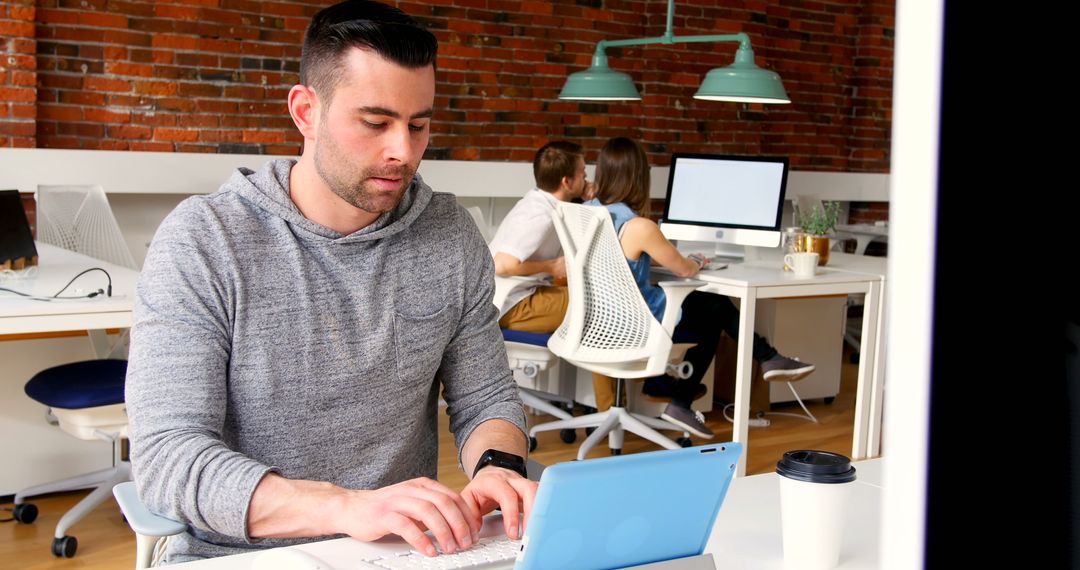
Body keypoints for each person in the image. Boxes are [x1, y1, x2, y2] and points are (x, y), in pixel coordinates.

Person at [124, 1, 535, 563]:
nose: (403, 150)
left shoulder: (449, 235)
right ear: (305, 111)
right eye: (375, 122)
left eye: (419, 124)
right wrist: (345, 507)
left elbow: (486, 397)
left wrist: (499, 467)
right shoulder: (205, 240)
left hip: (401, 553)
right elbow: (170, 460)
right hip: (242, 556)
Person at [586, 137, 816, 438]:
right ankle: (693, 393)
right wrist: (695, 259)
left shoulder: (589, 213)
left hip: (601, 324)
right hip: (637, 327)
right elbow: (683, 269)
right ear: (639, 177)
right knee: (714, 308)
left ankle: (759, 361)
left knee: (708, 308)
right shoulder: (639, 227)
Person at [488, 141, 588, 334]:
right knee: (598, 304)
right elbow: (501, 265)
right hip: (511, 304)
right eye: (583, 173)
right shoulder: (540, 215)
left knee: (587, 298)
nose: (586, 178)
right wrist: (551, 266)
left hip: (518, 294)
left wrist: (587, 196)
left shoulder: (540, 199)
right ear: (566, 182)